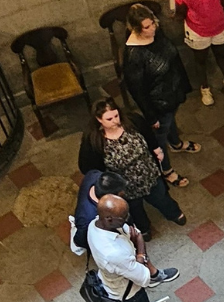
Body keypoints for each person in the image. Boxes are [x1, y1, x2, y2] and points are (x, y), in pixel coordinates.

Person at [78, 98, 186, 236]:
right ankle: (143, 228)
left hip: (149, 173)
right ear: (99, 120)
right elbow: (86, 167)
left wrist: (156, 149)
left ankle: (174, 213)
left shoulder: (132, 121)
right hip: (125, 185)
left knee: (161, 197)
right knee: (134, 208)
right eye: (109, 119)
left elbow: (148, 134)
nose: (115, 121)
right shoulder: (94, 140)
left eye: (116, 116)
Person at [121, 3, 199, 188]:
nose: (153, 28)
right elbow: (137, 90)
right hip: (157, 102)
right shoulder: (134, 54)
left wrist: (183, 86)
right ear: (136, 28)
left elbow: (173, 58)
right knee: (159, 137)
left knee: (170, 120)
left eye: (153, 23)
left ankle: (176, 143)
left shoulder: (156, 34)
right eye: (147, 27)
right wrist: (151, 115)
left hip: (171, 92)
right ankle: (166, 170)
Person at [84, 194, 180, 302]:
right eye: (123, 217)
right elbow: (142, 276)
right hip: (130, 297)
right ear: (109, 219)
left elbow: (136, 234)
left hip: (114, 279)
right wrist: (140, 253)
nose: (128, 218)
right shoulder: (113, 254)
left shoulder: (95, 224)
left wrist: (138, 256)